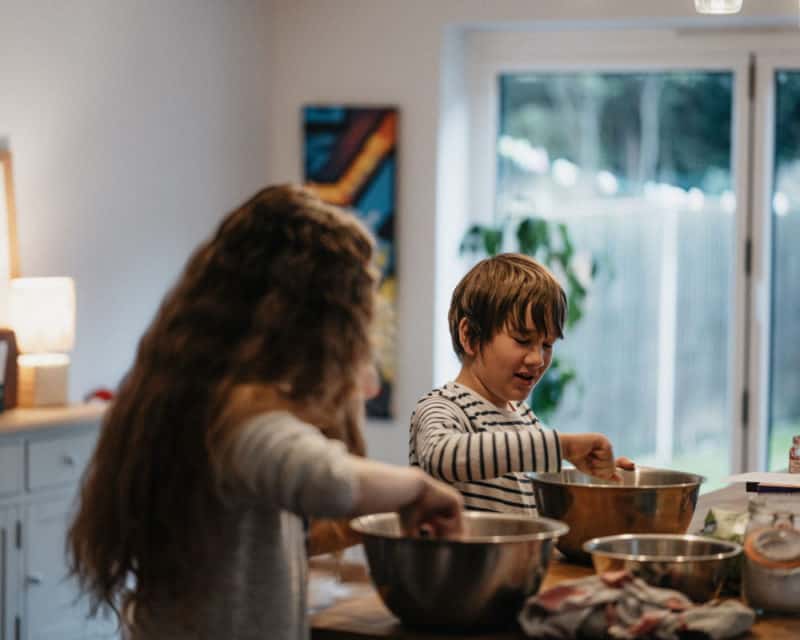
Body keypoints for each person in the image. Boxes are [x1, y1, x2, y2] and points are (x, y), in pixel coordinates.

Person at [67, 185, 463, 640]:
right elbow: (325, 479)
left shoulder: (189, 395)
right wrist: (419, 488)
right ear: (308, 323)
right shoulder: (236, 418)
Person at [409, 253, 633, 515]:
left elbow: (534, 471)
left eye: (547, 345)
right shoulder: (442, 407)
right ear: (469, 336)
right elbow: (441, 456)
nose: (538, 359)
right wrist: (563, 446)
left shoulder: (525, 417)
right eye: (523, 340)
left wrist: (594, 475)